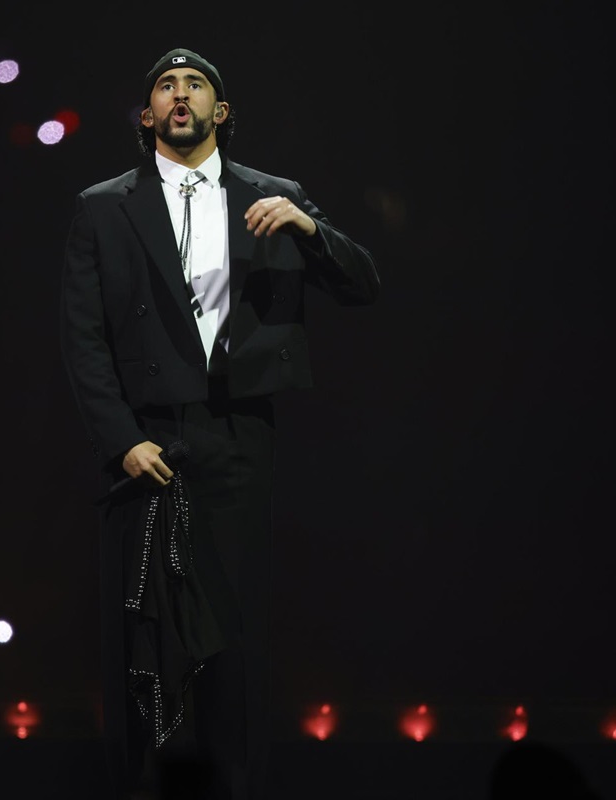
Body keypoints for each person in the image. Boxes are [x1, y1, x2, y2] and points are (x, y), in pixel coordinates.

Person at [59, 47, 380, 800]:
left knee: (234, 638)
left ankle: (235, 786)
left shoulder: (274, 195)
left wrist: (308, 229)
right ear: (147, 115)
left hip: (237, 437)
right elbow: (83, 339)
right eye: (165, 86)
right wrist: (121, 439)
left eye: (195, 84)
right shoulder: (102, 206)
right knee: (145, 637)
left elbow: (363, 282)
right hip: (146, 442)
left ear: (221, 111)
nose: (180, 93)